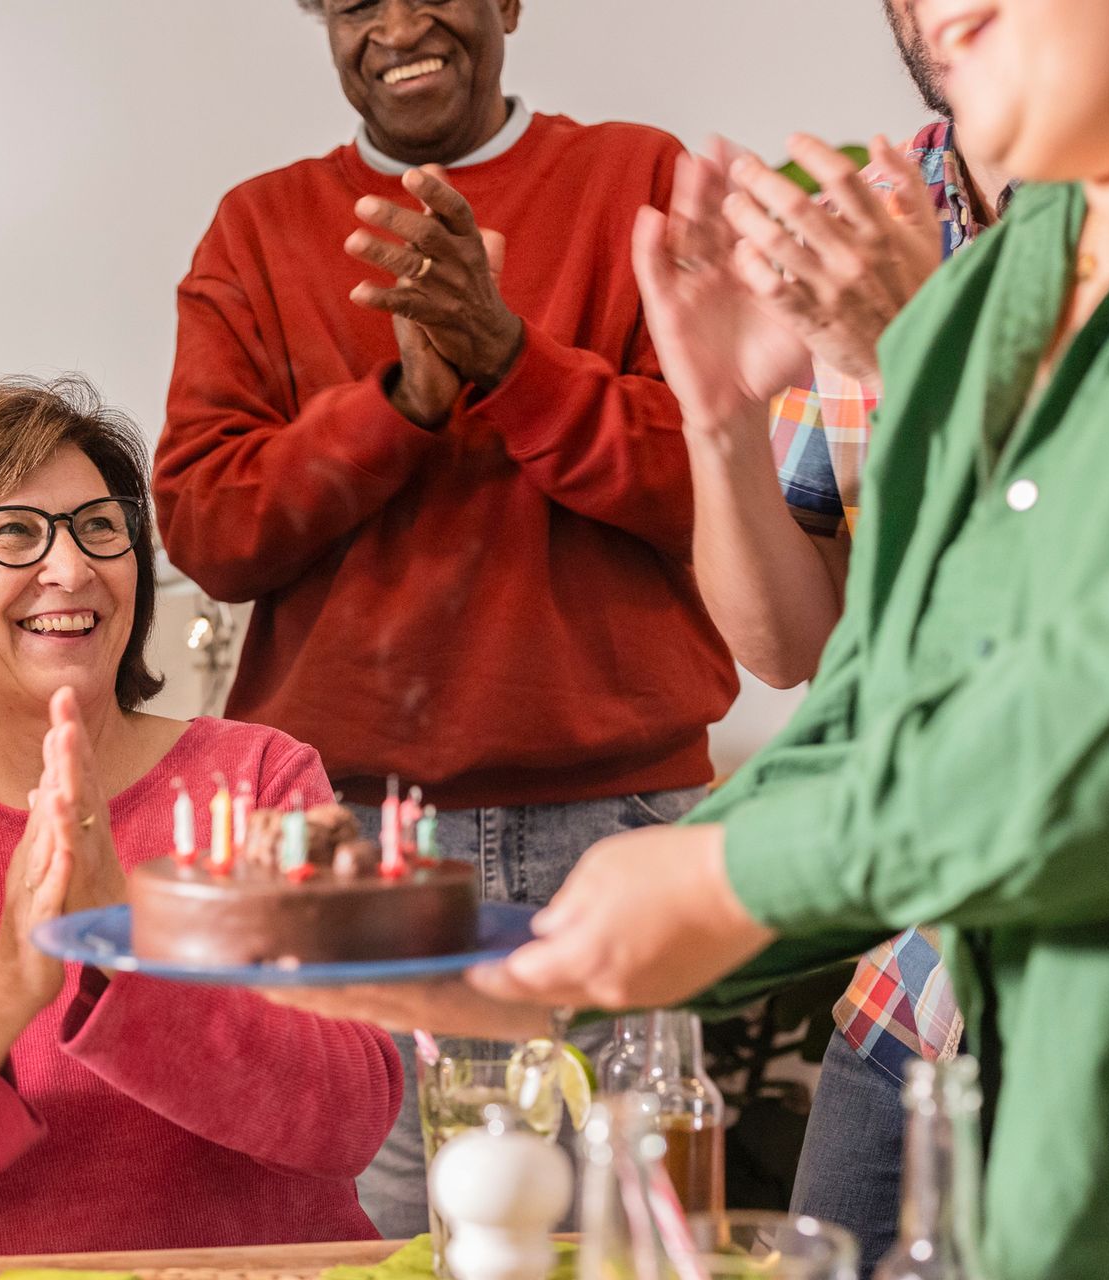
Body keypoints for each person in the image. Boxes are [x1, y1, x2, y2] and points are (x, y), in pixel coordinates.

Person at [279, 0, 1109, 1271]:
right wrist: (538, 970)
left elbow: (1066, 713)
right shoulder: (1014, 262)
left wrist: (721, 880)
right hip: (945, 1030)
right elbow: (889, 696)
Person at [153, 0, 735, 1233]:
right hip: (354, 847)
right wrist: (402, 407)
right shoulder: (257, 229)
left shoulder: (640, 179)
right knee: (373, 1240)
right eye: (358, 1)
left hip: (618, 831)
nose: (401, 23)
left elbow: (721, 484)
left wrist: (515, 361)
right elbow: (206, 526)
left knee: (624, 1243)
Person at [0, 379, 400, 1260]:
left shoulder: (264, 776)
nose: (73, 567)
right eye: (15, 531)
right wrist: (9, 986)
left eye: (99, 526)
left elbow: (350, 1113)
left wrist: (127, 955)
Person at [673, 6, 1014, 1267]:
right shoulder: (871, 211)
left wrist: (906, 353)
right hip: (912, 995)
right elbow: (791, 642)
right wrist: (719, 413)